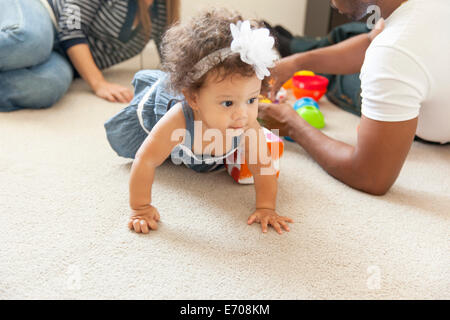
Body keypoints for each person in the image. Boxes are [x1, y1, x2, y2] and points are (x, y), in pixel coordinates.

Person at [104, 8, 293, 235]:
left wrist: (266, 208)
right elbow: (145, 161)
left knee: (209, 161)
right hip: (155, 117)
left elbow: (263, 169)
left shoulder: (248, 126)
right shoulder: (177, 120)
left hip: (205, 140)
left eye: (251, 99)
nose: (242, 114)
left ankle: (203, 147)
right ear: (193, 98)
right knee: (150, 150)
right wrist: (140, 208)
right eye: (228, 103)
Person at [259, 0, 450, 195]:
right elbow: (371, 41)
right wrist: (296, 63)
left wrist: (291, 124)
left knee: (342, 78)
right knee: (351, 33)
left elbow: (370, 176)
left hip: (425, 123)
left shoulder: (394, 51)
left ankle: (291, 44)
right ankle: (293, 47)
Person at [0, 0, 179, 111]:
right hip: (43, 12)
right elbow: (71, 27)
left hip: (64, 58)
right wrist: (98, 82)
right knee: (31, 42)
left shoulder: (161, 10)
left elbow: (171, 57)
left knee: (49, 86)